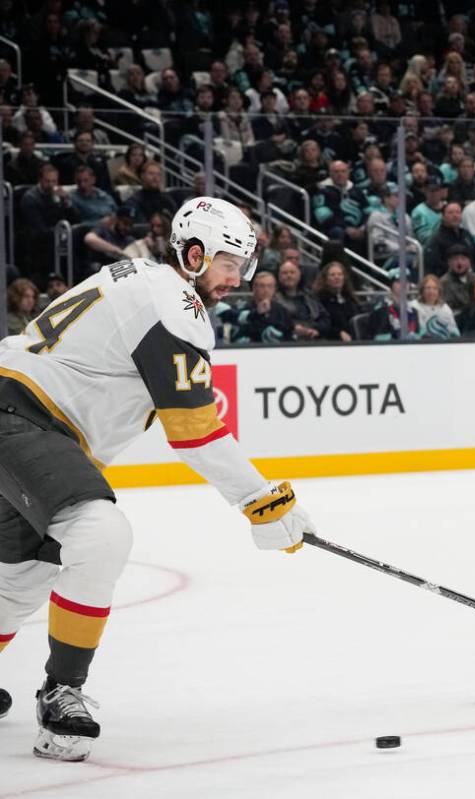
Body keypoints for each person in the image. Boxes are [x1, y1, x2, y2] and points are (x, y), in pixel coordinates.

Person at [0, 197, 317, 761]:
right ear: (193, 255)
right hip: (22, 418)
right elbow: (194, 429)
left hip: (21, 421)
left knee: (21, 579)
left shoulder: (141, 278)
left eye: (242, 268)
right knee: (100, 534)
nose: (235, 280)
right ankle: (62, 692)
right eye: (227, 264)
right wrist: (261, 500)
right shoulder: (174, 304)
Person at [230, 269, 295, 343]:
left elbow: (290, 335)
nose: (266, 290)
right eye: (262, 286)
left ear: (274, 289)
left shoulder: (281, 310)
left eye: (269, 286)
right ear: (254, 288)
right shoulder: (241, 309)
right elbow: (235, 337)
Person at [274, 259, 331, 340]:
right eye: (285, 273)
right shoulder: (274, 298)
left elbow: (325, 319)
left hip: (314, 338)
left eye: (292, 272)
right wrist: (293, 328)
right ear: (279, 277)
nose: (289, 276)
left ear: (299, 275)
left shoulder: (310, 296)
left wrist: (316, 330)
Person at [312, 261, 361, 341]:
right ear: (326, 279)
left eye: (339, 274)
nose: (337, 277)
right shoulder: (319, 299)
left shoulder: (350, 297)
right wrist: (338, 333)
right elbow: (321, 324)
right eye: (332, 275)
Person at [409, 274, 460, 339]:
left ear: (439, 291)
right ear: (422, 290)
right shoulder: (413, 306)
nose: (431, 291)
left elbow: (454, 332)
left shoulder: (445, 308)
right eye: (428, 288)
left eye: (435, 288)